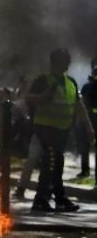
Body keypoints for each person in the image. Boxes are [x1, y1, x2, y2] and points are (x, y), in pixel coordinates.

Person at [26, 48, 95, 212]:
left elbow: (80, 106)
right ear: (56, 62)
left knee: (57, 163)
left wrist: (89, 128)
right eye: (65, 60)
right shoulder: (43, 80)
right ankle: (41, 199)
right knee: (51, 161)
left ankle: (59, 198)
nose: (68, 63)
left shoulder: (70, 82)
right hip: (45, 129)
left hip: (62, 130)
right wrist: (43, 96)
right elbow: (29, 98)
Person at [79, 67, 97, 180]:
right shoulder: (87, 87)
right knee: (84, 146)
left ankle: (87, 172)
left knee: (86, 146)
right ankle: (85, 170)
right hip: (88, 119)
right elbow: (83, 102)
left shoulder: (89, 86)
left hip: (90, 119)